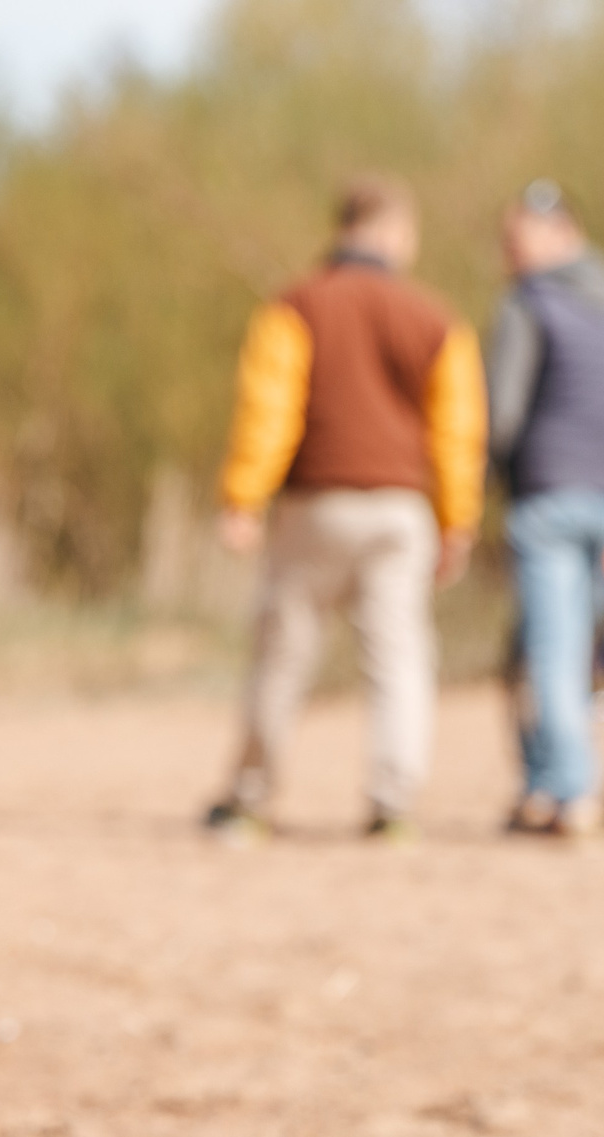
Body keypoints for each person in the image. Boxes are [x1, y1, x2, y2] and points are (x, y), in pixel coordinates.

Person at [204, 173, 486, 843]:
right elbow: (456, 434)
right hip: (401, 512)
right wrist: (458, 520)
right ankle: (393, 803)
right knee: (398, 659)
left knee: (283, 654)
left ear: (343, 229)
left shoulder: (296, 308)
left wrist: (243, 497)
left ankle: (252, 798)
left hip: (316, 505)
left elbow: (270, 413)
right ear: (395, 234)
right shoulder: (437, 320)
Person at [486, 179, 604, 836]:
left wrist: (487, 472)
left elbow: (501, 413)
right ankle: (542, 785)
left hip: (546, 498)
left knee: (554, 651)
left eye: (518, 240)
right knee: (575, 646)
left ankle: (575, 793)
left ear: (564, 235)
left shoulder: (527, 303)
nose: (510, 254)